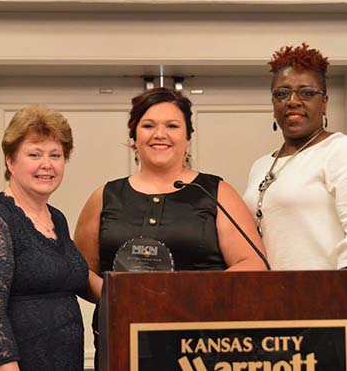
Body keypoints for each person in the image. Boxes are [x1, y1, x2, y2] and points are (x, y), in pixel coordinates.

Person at [74, 87, 267, 369]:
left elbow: (253, 264)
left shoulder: (216, 192)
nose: (160, 134)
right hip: (122, 339)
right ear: (134, 137)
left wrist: (186, 295)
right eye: (148, 125)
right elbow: (80, 270)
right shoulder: (105, 195)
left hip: (203, 344)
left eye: (172, 126)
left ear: (187, 138)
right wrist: (118, 297)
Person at [243, 43, 347, 371]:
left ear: (325, 101)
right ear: (273, 104)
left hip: (339, 317)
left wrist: (333, 311)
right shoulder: (260, 166)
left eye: (305, 92)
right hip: (279, 317)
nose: (292, 101)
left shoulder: (345, 151)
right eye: (282, 93)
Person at [0, 105, 88, 371]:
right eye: (34, 154)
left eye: (56, 155)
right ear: (11, 161)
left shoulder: (57, 219)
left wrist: (135, 294)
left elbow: (74, 276)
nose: (47, 164)